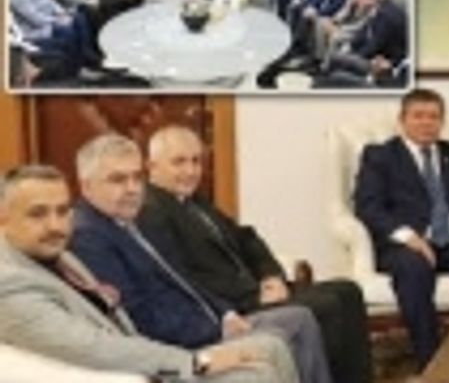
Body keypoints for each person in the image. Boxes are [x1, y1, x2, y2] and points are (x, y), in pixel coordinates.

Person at [68, 134, 333, 383]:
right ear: (87, 186)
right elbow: (138, 317)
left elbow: (186, 280)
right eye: (118, 180)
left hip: (210, 323)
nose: (132, 188)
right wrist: (215, 330)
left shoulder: (132, 220)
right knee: (272, 346)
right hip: (181, 348)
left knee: (298, 320)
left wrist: (225, 313)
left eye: (137, 178)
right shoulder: (89, 237)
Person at [0, 164, 298, 382]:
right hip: (126, 373)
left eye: (63, 211)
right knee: (255, 374)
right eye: (38, 214)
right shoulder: (9, 283)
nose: (55, 225)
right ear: (3, 218)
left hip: (145, 357)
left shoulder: (59, 256)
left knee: (271, 347)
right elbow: (92, 348)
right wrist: (197, 361)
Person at [138, 125, 372, 383]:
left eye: (196, 161)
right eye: (179, 162)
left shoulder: (195, 201)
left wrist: (271, 276)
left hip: (259, 293)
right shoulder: (151, 212)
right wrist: (253, 296)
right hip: (236, 307)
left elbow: (247, 238)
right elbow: (184, 278)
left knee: (347, 290)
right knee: (328, 307)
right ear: (152, 166)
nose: (191, 171)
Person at [353, 89, 449, 371]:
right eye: (418, 116)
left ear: (442, 122)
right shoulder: (380, 156)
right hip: (406, 246)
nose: (426, 123)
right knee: (414, 268)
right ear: (403, 120)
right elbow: (368, 206)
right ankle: (432, 364)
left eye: (434, 117)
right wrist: (408, 236)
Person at [9, 0, 102, 72]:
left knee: (79, 18)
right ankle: (75, 68)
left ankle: (86, 57)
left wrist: (62, 13)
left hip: (51, 19)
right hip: (36, 28)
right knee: (68, 31)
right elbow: (32, 17)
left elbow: (50, 1)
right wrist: (56, 20)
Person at [314, 0, 407, 88]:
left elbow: (375, 45)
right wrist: (351, 46)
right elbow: (362, 33)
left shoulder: (385, 15)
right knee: (338, 58)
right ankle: (323, 82)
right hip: (376, 57)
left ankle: (322, 84)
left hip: (385, 64)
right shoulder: (378, 8)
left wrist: (353, 54)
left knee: (338, 59)